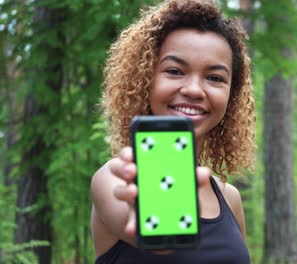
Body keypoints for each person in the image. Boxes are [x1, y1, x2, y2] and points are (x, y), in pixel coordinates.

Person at [90, 0, 256, 263]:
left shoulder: (229, 198)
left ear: (231, 96)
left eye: (214, 78)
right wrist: (149, 211)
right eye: (175, 71)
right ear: (145, 79)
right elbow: (163, 242)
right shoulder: (113, 181)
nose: (194, 89)